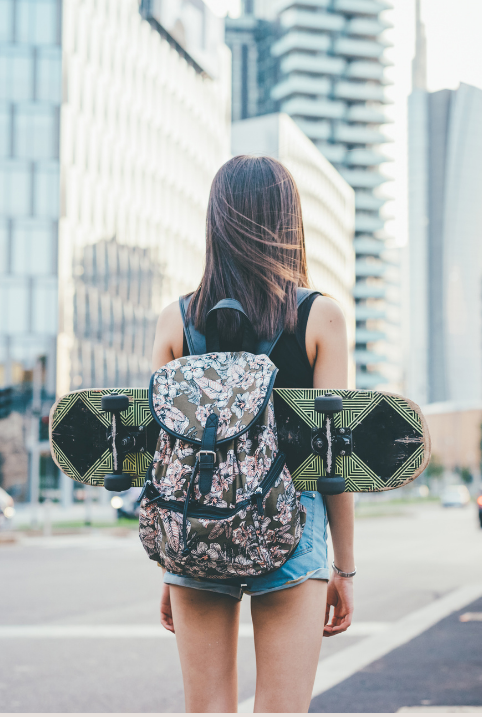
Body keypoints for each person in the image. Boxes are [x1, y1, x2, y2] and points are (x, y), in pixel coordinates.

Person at [149, 155, 354, 713]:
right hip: (293, 524)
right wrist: (344, 567)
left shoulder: (176, 320)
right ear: (289, 221)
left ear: (216, 220)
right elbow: (333, 460)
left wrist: (172, 568)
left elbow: (162, 454)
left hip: (194, 526)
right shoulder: (320, 317)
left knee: (208, 709)